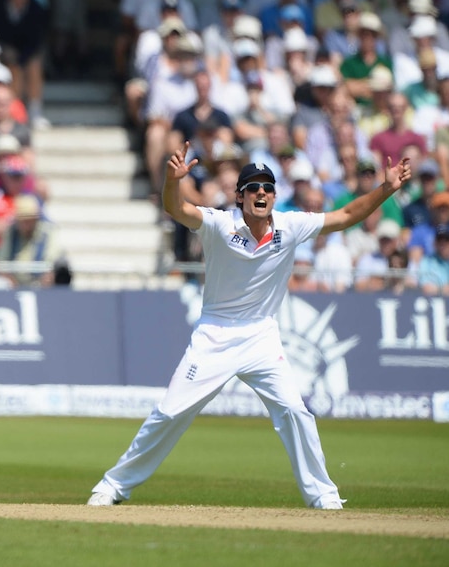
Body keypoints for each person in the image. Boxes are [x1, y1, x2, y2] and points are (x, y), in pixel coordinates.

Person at [87, 142, 412, 509]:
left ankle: (324, 497)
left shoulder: (291, 226)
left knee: (294, 410)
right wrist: (171, 181)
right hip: (215, 333)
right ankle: (113, 486)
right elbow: (174, 208)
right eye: (254, 188)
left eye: (268, 188)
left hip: (261, 334)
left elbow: (346, 215)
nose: (261, 193)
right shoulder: (219, 224)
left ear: (275, 196)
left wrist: (385, 189)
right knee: (171, 411)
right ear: (240, 197)